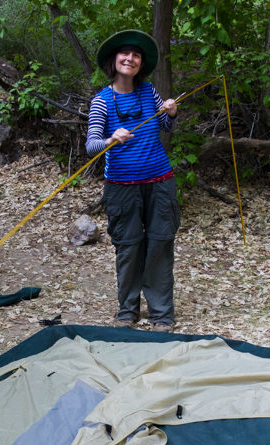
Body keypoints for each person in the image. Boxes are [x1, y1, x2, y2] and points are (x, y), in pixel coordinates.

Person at [86, 30, 180, 333]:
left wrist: (171, 112)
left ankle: (161, 314)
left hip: (160, 181)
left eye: (136, 55)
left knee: (161, 244)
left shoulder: (148, 92)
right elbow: (91, 146)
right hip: (122, 188)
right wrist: (111, 138)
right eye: (125, 54)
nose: (130, 58)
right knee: (128, 247)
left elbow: (166, 126)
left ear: (141, 63)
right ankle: (127, 311)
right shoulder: (102, 101)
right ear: (114, 60)